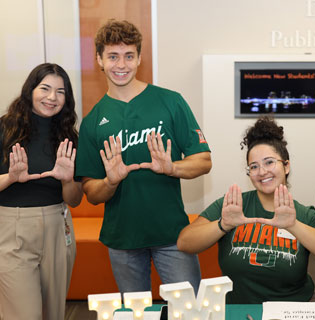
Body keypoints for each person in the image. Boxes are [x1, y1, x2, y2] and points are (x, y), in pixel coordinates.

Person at [74, 19, 211, 294]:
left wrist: (172, 167)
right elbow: (91, 191)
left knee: (189, 312)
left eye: (128, 56)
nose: (121, 65)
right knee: (137, 314)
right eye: (113, 56)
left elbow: (204, 160)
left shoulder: (170, 101)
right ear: (100, 60)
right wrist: (110, 182)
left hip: (173, 235)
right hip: (122, 240)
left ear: (139, 58)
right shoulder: (92, 122)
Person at [177, 116, 315, 304]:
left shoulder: (304, 214)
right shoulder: (232, 206)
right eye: (254, 167)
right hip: (240, 310)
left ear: (286, 165)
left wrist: (293, 225)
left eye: (269, 162)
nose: (262, 172)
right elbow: (185, 243)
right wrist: (223, 225)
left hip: (292, 310)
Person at [0, 63, 82, 320]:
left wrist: (68, 180)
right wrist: (11, 178)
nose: (52, 98)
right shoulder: (5, 128)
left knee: (54, 313)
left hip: (59, 227)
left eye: (60, 92)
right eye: (44, 88)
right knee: (24, 314)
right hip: (12, 229)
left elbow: (75, 200)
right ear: (30, 90)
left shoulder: (69, 136)